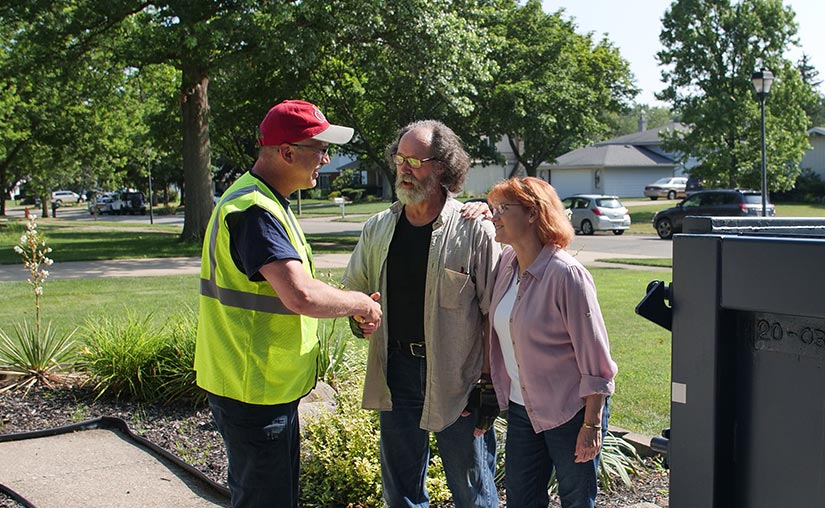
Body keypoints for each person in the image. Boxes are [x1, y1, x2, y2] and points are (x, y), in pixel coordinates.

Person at [195, 99, 383, 508]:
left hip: (258, 387)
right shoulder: (254, 211)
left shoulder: (265, 201)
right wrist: (360, 305)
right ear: (286, 152)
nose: (326, 158)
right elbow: (300, 294)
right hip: (255, 390)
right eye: (319, 149)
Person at [342, 119, 500, 508]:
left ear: (442, 166)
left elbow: (495, 314)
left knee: (472, 488)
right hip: (395, 370)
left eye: (416, 160)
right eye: (400, 159)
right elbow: (355, 291)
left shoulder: (473, 229)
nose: (405, 169)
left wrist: (488, 384)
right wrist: (358, 316)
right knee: (401, 491)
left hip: (458, 376)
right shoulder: (378, 228)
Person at [486, 177, 618, 508]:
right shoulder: (506, 264)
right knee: (521, 499)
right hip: (522, 409)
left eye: (503, 209)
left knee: (577, 501)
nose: (495, 216)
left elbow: (596, 359)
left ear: (533, 214)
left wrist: (592, 424)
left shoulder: (566, 274)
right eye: (492, 209)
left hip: (572, 411)